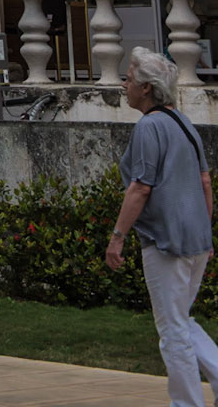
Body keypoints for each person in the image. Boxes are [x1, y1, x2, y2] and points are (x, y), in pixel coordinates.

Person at [107, 47, 218, 407]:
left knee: (172, 330)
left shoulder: (149, 126)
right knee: (181, 320)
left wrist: (117, 238)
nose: (124, 85)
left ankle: (187, 404)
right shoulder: (183, 123)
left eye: (129, 78)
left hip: (167, 242)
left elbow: (140, 187)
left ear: (146, 88)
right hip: (196, 239)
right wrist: (206, 230)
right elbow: (204, 181)